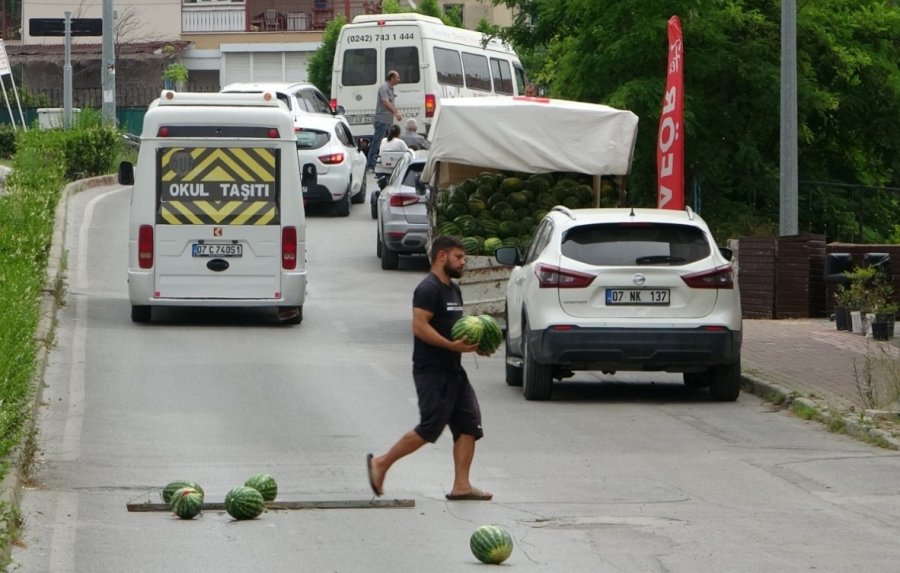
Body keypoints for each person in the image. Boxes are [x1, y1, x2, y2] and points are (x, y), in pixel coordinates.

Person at [367, 236, 494, 501]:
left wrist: (476, 345)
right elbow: (420, 326)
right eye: (459, 257)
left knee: (469, 424)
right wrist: (450, 346)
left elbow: (457, 330)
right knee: (430, 427)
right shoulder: (428, 289)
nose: (464, 262)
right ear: (442, 256)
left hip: (454, 370)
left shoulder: (454, 290)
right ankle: (381, 463)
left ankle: (462, 485)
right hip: (432, 370)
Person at [366, 70, 403, 171]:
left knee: (387, 143)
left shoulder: (391, 88)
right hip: (382, 120)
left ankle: (384, 163)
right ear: (392, 78)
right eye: (397, 77)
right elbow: (385, 102)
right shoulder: (384, 87)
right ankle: (371, 165)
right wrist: (396, 112)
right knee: (377, 143)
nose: (399, 79)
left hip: (388, 121)